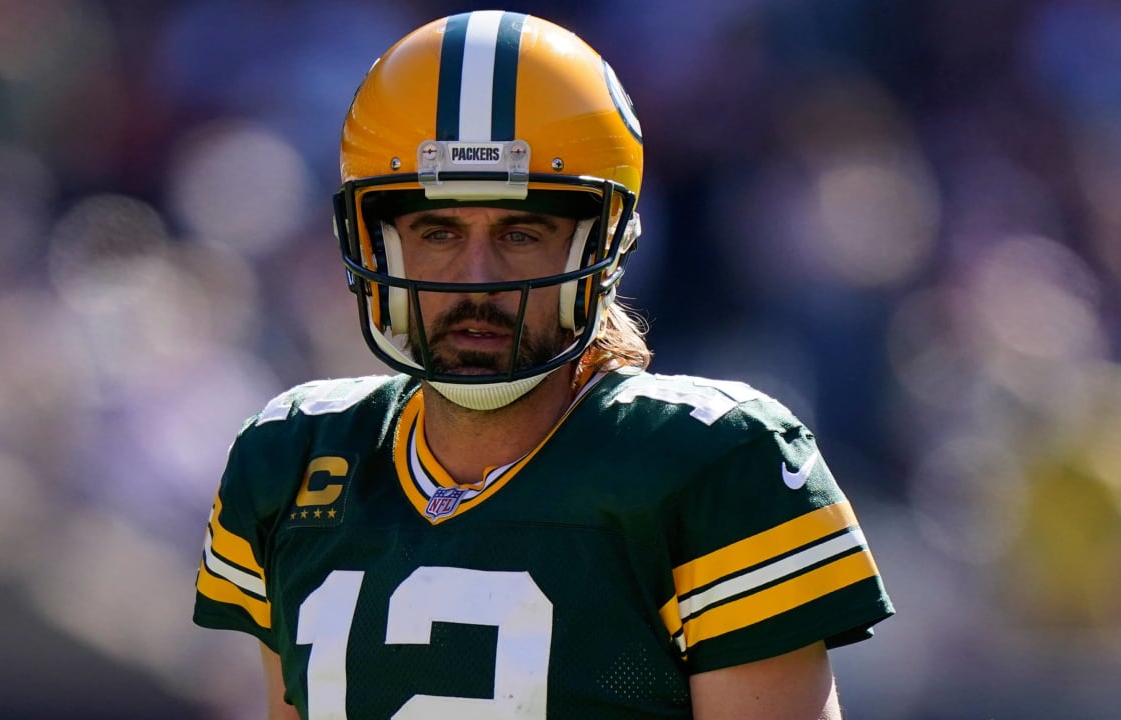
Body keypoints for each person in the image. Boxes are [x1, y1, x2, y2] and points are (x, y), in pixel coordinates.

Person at [193, 10, 893, 719]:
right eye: (437, 232)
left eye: (521, 232)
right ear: (377, 245)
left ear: (601, 245)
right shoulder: (292, 456)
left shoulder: (713, 463)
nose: (476, 278)